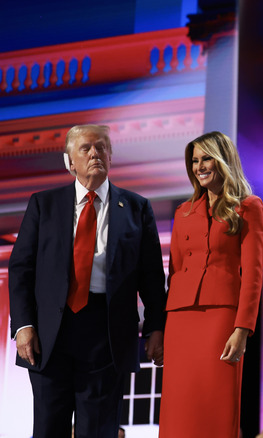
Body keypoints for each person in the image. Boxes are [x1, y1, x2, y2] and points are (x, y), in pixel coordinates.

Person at [8, 124, 166, 437]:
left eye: (101, 147)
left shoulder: (137, 208)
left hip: (106, 333)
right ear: (70, 162)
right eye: (85, 148)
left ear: (111, 156)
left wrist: (155, 328)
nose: (95, 153)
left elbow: (151, 275)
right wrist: (24, 326)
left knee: (98, 430)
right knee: (48, 428)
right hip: (49, 333)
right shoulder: (44, 204)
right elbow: (21, 267)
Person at [159, 131, 263, 436]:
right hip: (180, 318)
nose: (199, 166)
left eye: (206, 158)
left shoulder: (249, 206)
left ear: (223, 159)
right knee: (178, 404)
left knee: (215, 403)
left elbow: (253, 273)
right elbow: (176, 269)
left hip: (222, 318)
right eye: (194, 160)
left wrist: (242, 328)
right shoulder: (183, 212)